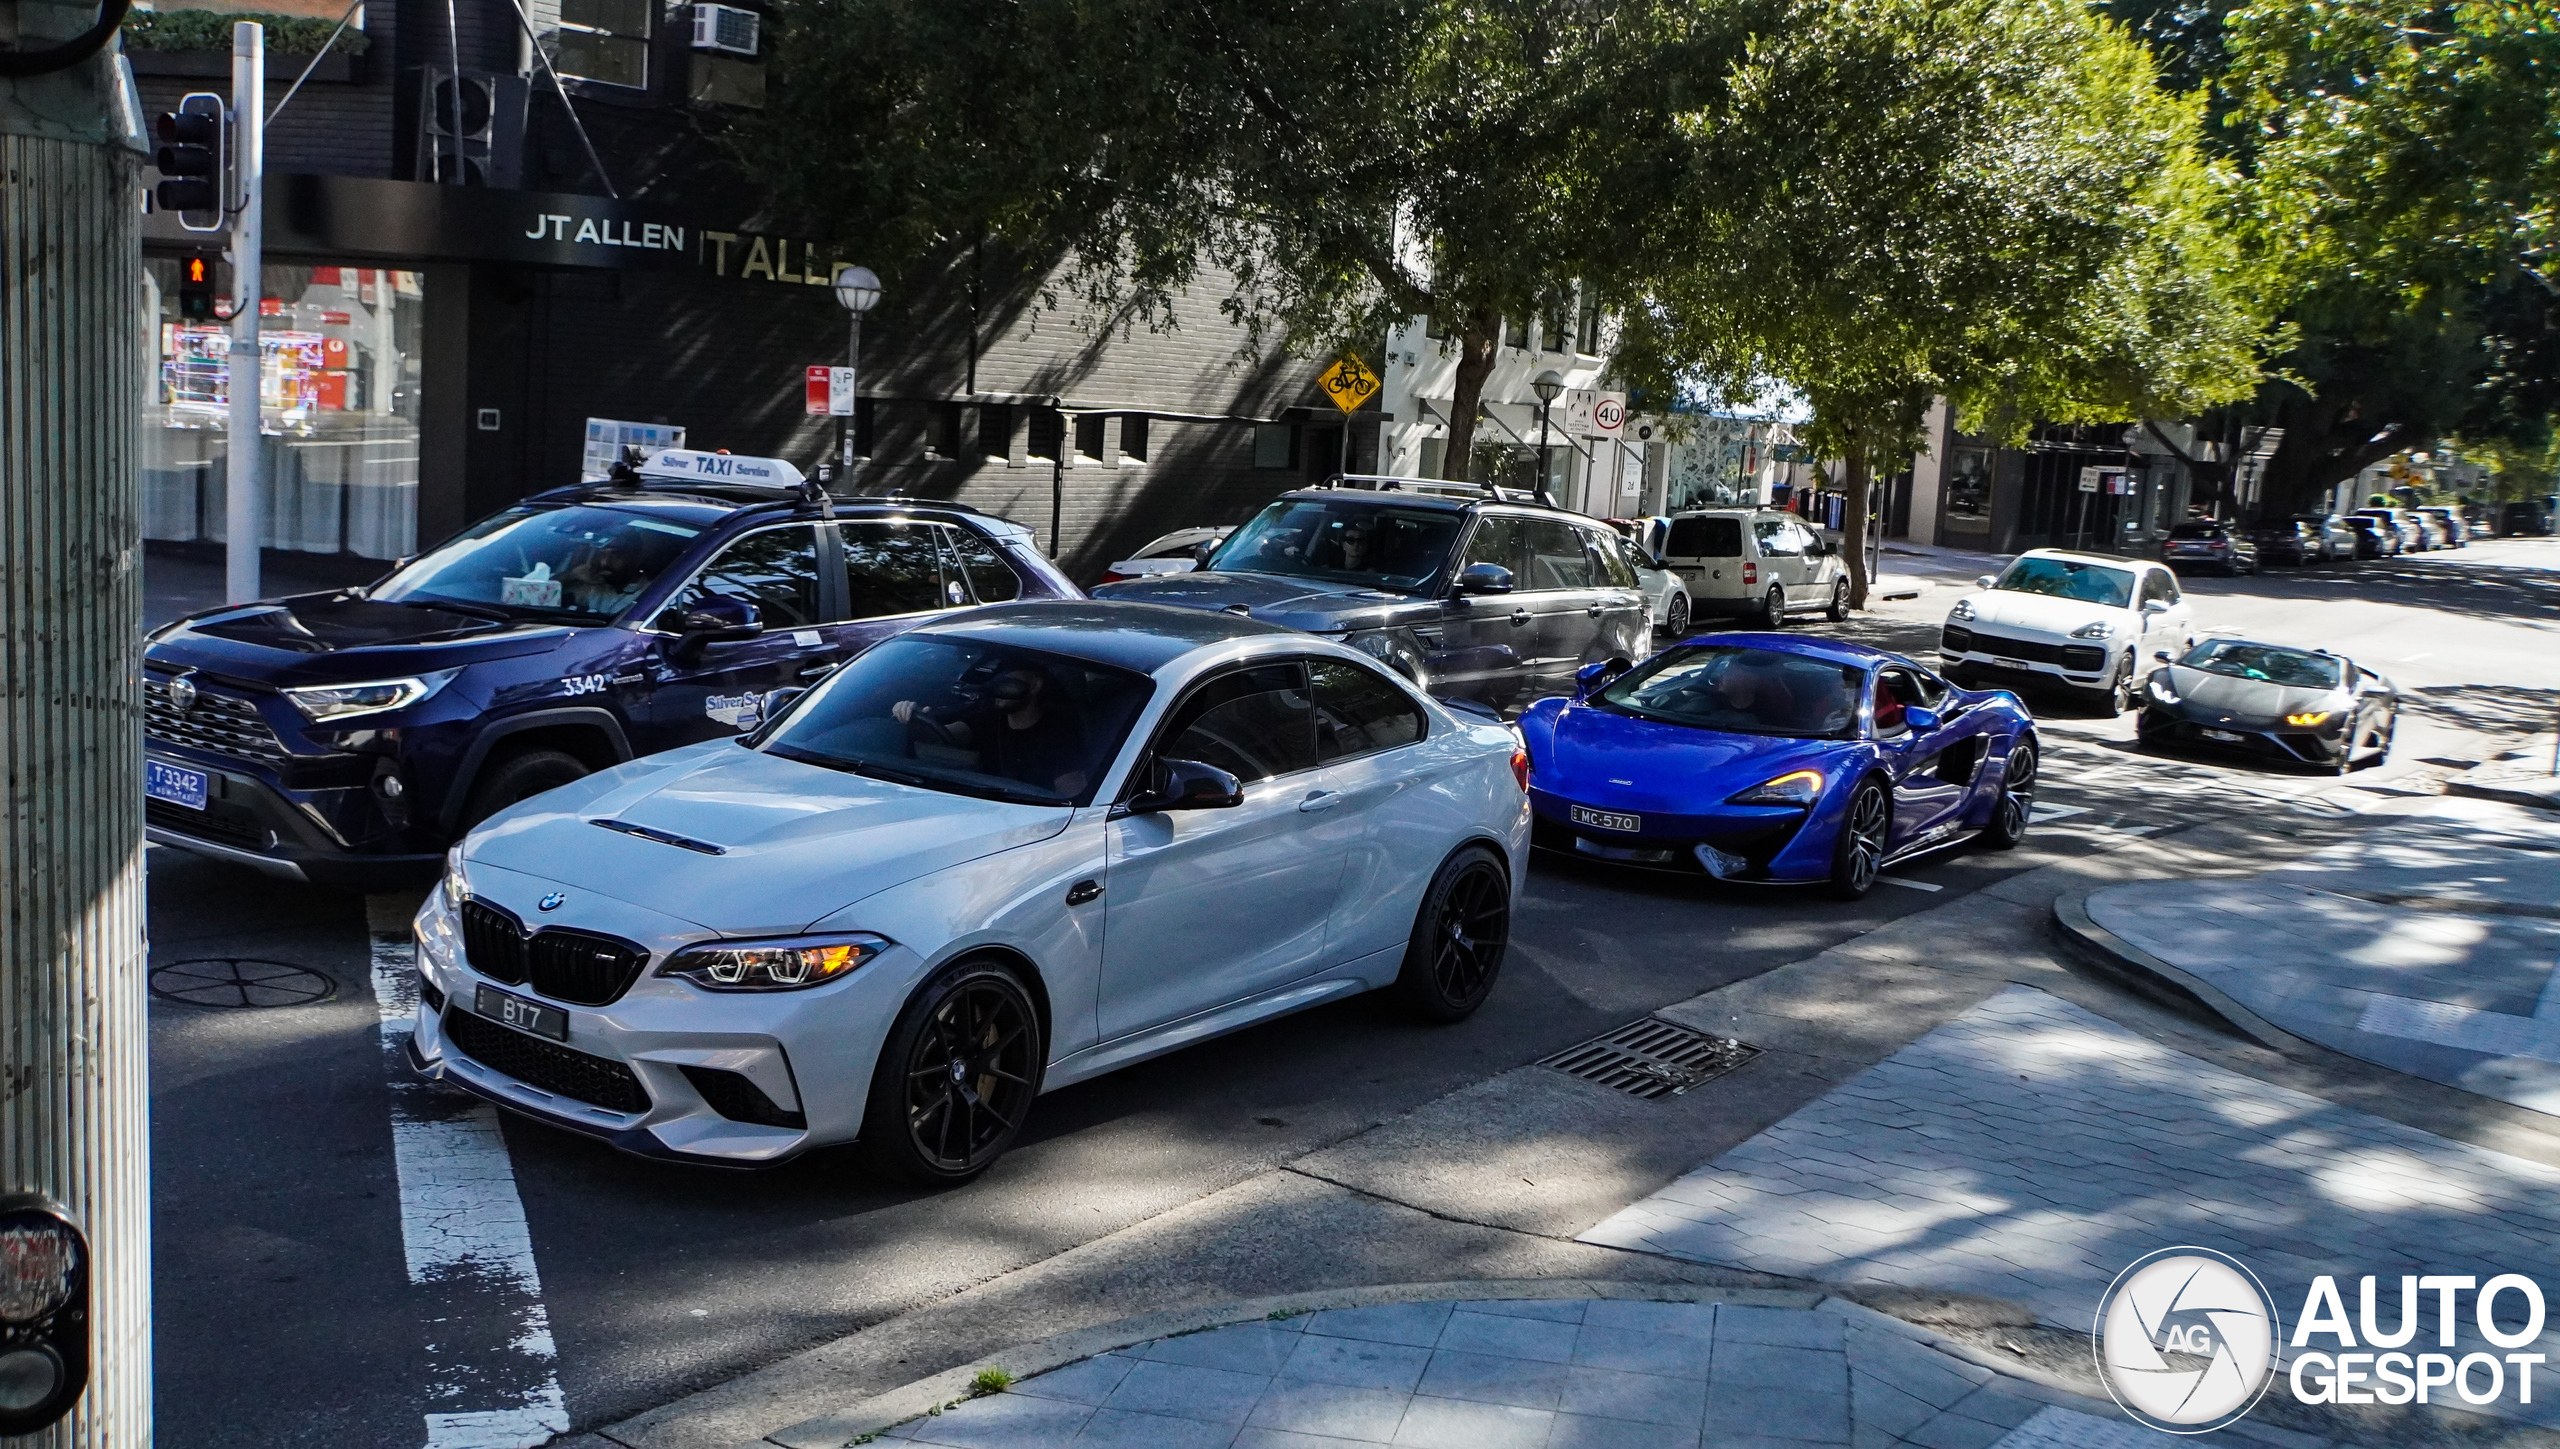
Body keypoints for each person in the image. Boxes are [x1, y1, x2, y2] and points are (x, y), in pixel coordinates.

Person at [893, 662, 1091, 799]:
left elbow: (1071, 795)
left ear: (1035, 686)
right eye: (998, 681)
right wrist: (913, 717)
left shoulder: (1059, 737)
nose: (998, 688)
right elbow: (946, 737)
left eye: (1009, 682)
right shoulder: (988, 719)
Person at [560, 537, 649, 615]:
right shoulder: (593, 586)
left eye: (615, 555)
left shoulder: (649, 594)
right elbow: (549, 594)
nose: (604, 563)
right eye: (602, 555)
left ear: (637, 557)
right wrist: (571, 576)